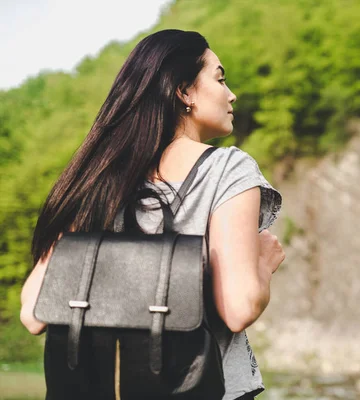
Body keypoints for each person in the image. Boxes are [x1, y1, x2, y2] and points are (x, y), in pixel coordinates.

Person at [19, 29, 285, 400]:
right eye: (220, 79)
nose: (231, 94)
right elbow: (238, 309)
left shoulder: (99, 179)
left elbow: (33, 314)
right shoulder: (227, 167)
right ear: (184, 91)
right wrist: (263, 265)